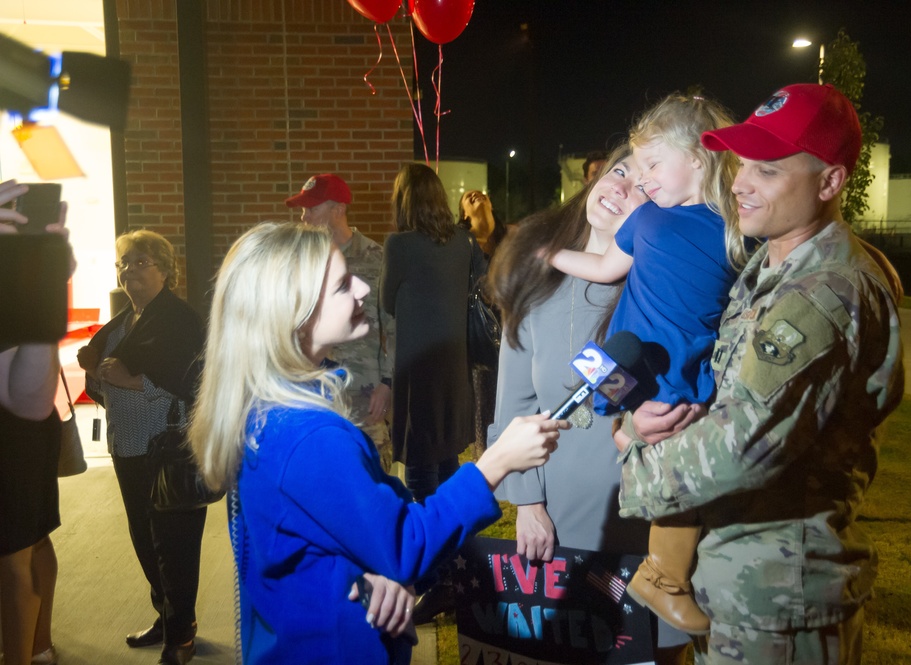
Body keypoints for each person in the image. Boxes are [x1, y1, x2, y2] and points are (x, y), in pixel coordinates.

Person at [187, 221, 568, 664]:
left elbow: (334, 530)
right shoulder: (309, 436)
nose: (364, 288)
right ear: (294, 312)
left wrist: (373, 570)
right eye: (342, 285)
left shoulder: (269, 413)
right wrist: (495, 464)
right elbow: (407, 544)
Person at [616, 83, 904, 664]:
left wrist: (629, 453)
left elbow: (740, 448)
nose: (741, 182)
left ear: (830, 183)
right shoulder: (767, 268)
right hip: (740, 588)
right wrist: (648, 416)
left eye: (768, 171)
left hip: (781, 604)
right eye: (742, 163)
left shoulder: (823, 294)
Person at [546, 93, 750, 634]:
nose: (644, 181)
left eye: (652, 166)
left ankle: (664, 572)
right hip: (628, 362)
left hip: (687, 368)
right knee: (650, 445)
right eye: (634, 169)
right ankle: (663, 576)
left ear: (700, 157)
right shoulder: (648, 220)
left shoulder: (736, 226)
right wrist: (545, 253)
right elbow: (607, 266)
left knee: (685, 464)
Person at [486, 144, 693, 663]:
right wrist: (529, 505)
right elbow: (513, 404)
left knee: (649, 652)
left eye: (643, 188)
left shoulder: (664, 293)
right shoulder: (536, 287)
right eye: (620, 171)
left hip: (649, 517)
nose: (622, 187)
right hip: (562, 516)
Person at [77, 230, 205, 665]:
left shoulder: (179, 319)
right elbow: (106, 376)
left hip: (166, 443)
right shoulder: (124, 321)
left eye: (139, 262)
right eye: (123, 263)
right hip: (127, 443)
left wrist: (132, 381)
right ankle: (166, 615)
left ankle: (182, 631)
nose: (127, 270)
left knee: (175, 541)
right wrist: (97, 375)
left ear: (164, 270)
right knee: (143, 537)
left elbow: (192, 378)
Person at [0, 180, 72, 665]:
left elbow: (25, 403)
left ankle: (32, 647)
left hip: (18, 438)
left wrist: (49, 285)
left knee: (21, 546)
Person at [380, 163, 481, 502]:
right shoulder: (464, 241)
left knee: (420, 463)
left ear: (404, 201)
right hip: (454, 365)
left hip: (417, 366)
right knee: (447, 453)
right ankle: (453, 543)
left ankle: (428, 545)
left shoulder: (399, 245)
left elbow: (387, 302)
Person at [285, 173, 395, 470]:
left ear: (339, 209)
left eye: (311, 208)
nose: (304, 216)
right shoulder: (301, 261)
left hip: (363, 393)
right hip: (312, 393)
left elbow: (393, 325)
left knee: (373, 480)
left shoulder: (375, 258)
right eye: (303, 209)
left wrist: (387, 382)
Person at [457, 189, 508, 455]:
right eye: (469, 196)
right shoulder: (460, 242)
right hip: (478, 332)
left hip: (511, 327)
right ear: (463, 213)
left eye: (482, 194)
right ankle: (484, 453)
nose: (477, 196)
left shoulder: (509, 238)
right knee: (483, 395)